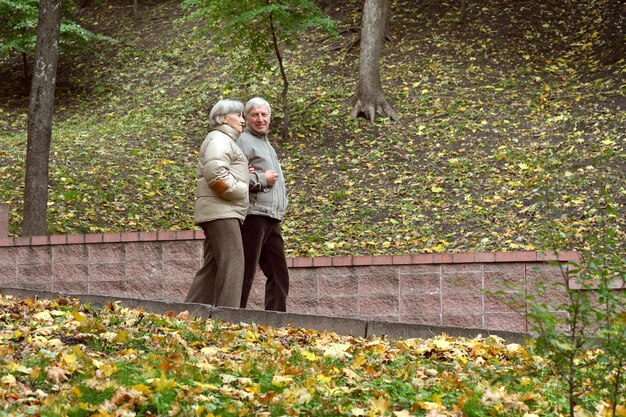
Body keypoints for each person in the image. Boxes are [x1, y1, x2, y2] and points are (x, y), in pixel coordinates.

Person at [185, 99, 248, 307]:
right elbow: (215, 174)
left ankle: (191, 312)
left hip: (220, 210)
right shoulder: (219, 139)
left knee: (213, 266)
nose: (243, 120)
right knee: (234, 262)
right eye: (238, 115)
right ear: (223, 118)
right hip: (222, 211)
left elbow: (220, 170)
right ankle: (228, 317)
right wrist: (240, 188)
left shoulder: (222, 140)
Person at [238, 97, 290, 312]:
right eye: (255, 115)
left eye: (264, 114)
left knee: (279, 274)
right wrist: (260, 179)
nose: (260, 119)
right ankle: (232, 316)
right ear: (246, 117)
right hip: (254, 215)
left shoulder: (265, 142)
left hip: (272, 216)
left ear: (270, 117)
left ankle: (275, 322)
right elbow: (233, 176)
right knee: (246, 271)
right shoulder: (242, 141)